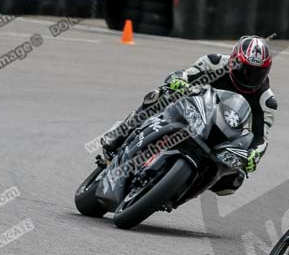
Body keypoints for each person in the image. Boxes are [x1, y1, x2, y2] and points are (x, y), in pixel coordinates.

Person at [100, 35, 277, 196]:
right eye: (244, 68)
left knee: (233, 181)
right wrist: (179, 81)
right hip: (194, 109)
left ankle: (182, 189)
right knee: (160, 95)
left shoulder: (266, 100)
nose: (249, 76)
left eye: (257, 72)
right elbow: (186, 74)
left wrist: (255, 154)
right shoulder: (215, 63)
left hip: (222, 133)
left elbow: (262, 137)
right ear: (233, 60)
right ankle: (119, 135)